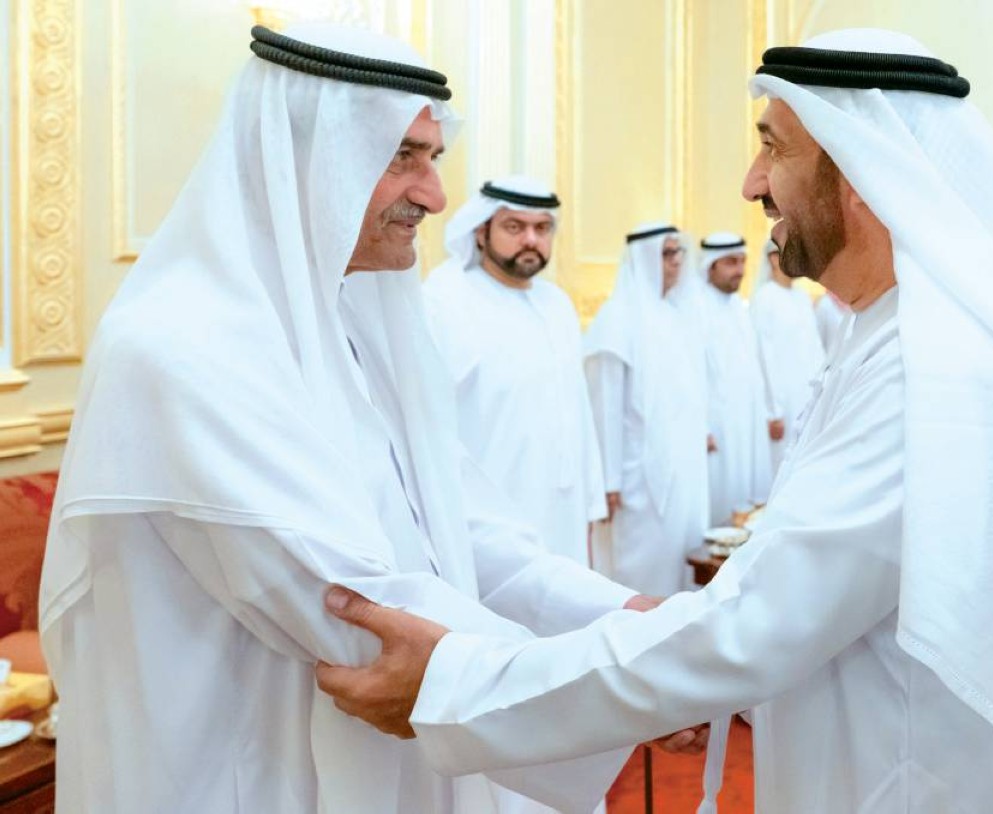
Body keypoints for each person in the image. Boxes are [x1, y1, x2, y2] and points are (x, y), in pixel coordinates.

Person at [315, 29, 993, 813]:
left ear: (861, 171)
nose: (751, 183)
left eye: (774, 148)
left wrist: (461, 689)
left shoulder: (935, 365)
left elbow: (757, 625)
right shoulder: (895, 330)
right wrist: (654, 628)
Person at [38, 23, 646, 814]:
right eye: (402, 157)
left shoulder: (353, 321)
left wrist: (624, 617)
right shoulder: (179, 345)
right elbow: (354, 607)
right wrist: (629, 685)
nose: (434, 196)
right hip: (242, 776)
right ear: (303, 156)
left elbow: (458, 530)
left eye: (433, 158)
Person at [424, 176, 606, 571]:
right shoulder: (446, 299)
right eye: (514, 227)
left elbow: (578, 415)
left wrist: (591, 507)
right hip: (488, 516)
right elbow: (427, 423)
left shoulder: (557, 304)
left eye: (542, 228)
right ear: (480, 231)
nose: (531, 240)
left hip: (564, 512)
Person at [583, 224, 709, 595]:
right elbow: (605, 406)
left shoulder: (675, 315)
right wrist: (608, 481)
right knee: (639, 571)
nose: (676, 262)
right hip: (635, 477)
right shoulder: (617, 317)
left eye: (678, 252)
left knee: (681, 562)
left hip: (683, 469)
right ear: (643, 259)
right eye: (666, 254)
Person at [695, 232, 773, 523]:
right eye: (730, 262)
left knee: (744, 497)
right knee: (718, 498)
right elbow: (690, 376)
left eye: (742, 261)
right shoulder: (695, 308)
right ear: (710, 265)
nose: (739, 270)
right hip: (715, 424)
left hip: (745, 420)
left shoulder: (738, 307)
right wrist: (701, 427)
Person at [750, 237, 825, 475]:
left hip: (808, 398)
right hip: (782, 406)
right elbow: (764, 358)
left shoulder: (802, 297)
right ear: (773, 259)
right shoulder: (764, 299)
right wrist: (773, 411)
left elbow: (815, 348)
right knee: (781, 468)